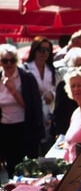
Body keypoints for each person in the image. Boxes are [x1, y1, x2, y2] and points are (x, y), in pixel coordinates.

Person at [0, 44, 44, 177]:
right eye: (4, 61)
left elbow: (32, 106)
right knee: (10, 164)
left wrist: (13, 91)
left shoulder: (26, 78)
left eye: (12, 60)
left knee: (26, 165)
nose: (8, 64)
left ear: (16, 61)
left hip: (24, 127)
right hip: (4, 127)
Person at [24, 37, 60, 150]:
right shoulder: (25, 69)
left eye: (47, 50)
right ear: (34, 50)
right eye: (41, 49)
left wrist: (52, 94)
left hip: (49, 114)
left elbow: (58, 90)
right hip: (32, 115)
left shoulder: (53, 71)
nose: (44, 53)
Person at [52, 48, 81, 139]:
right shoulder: (64, 85)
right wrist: (60, 134)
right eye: (79, 64)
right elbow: (59, 113)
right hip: (68, 131)